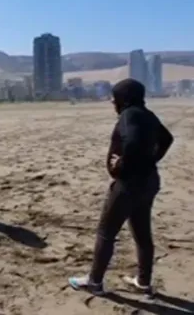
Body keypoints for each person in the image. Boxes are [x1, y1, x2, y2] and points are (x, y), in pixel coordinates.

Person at [68, 78, 174, 296]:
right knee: (142, 234)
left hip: (129, 185)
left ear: (123, 99)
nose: (112, 102)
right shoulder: (148, 114)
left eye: (114, 98)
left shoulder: (129, 115)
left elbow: (133, 143)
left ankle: (94, 282)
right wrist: (152, 160)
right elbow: (167, 139)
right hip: (148, 182)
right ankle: (143, 283)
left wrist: (123, 163)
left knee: (106, 233)